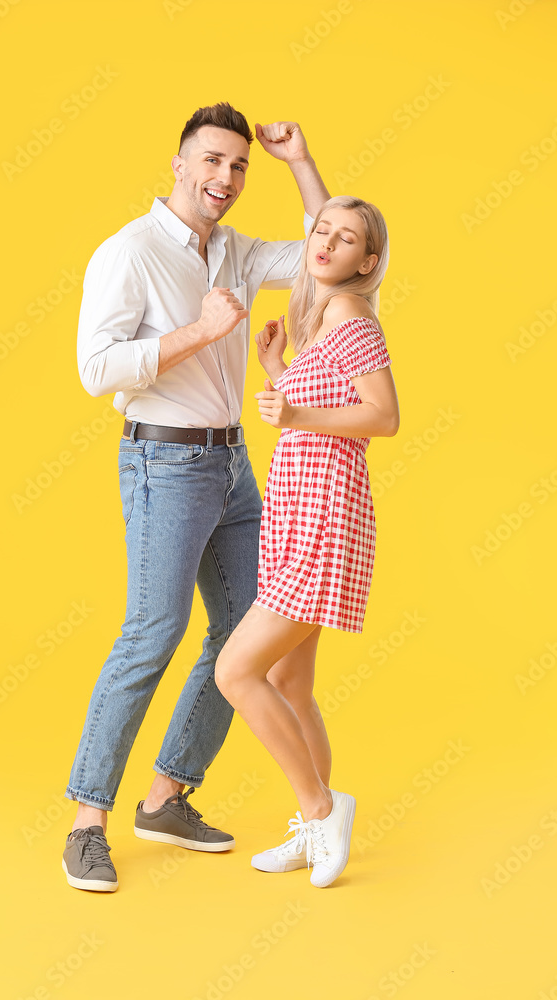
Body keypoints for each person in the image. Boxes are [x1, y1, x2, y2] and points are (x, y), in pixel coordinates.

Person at [62, 102, 332, 892]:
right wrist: (201, 332)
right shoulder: (130, 252)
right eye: (212, 160)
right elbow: (96, 370)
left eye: (238, 166)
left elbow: (331, 248)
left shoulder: (236, 252)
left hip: (232, 467)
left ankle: (167, 796)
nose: (225, 177)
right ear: (179, 164)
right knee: (152, 634)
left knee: (247, 640)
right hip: (164, 466)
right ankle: (86, 823)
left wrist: (299, 164)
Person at [214, 195, 400, 888]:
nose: (324, 243)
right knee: (290, 680)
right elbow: (319, 408)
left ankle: (322, 808)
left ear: (366, 262)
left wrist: (289, 404)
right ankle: (314, 830)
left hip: (323, 516)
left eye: (344, 237)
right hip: (297, 513)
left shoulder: (351, 318)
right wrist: (274, 371)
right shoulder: (320, 318)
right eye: (320, 230)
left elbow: (381, 417)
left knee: (236, 672)